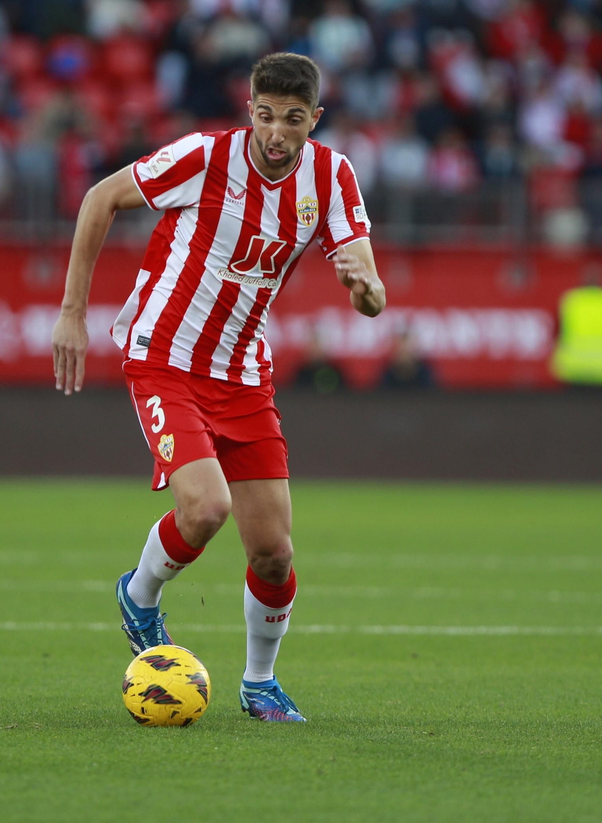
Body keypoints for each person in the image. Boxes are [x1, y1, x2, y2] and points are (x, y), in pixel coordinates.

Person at [52, 52, 385, 723]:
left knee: (273, 552)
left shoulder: (333, 177)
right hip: (164, 356)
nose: (276, 133)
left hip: (244, 375)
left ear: (313, 120)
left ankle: (259, 683)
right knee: (206, 508)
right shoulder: (203, 158)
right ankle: (139, 596)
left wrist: (368, 289)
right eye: (265, 116)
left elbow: (369, 293)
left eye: (293, 120)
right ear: (251, 111)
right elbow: (100, 198)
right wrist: (72, 313)